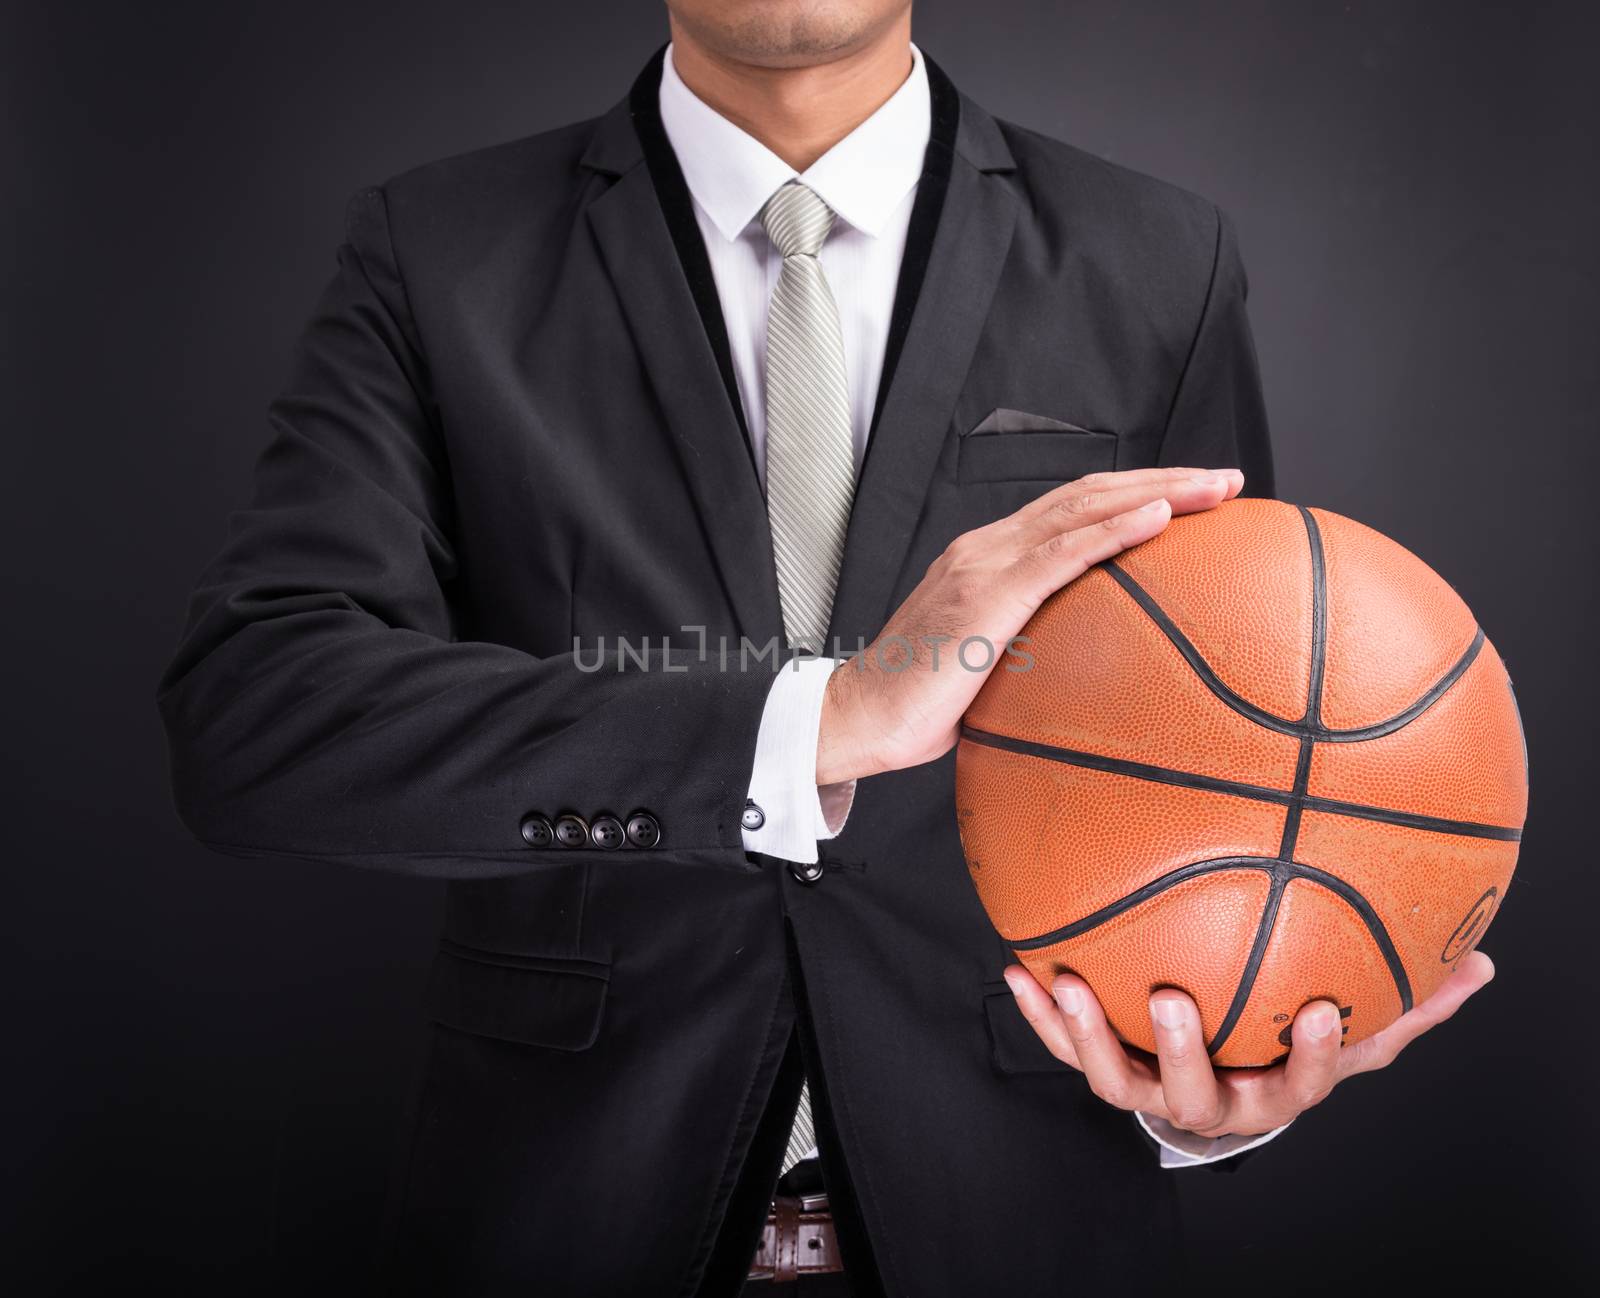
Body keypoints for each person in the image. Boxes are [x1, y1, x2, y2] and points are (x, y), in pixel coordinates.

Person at [157, 2, 1494, 1293]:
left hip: (1021, 1210)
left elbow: (1244, 756)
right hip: (565, 1206)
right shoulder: (436, 247)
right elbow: (256, 718)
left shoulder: (1157, 256)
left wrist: (1208, 1080)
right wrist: (820, 718)